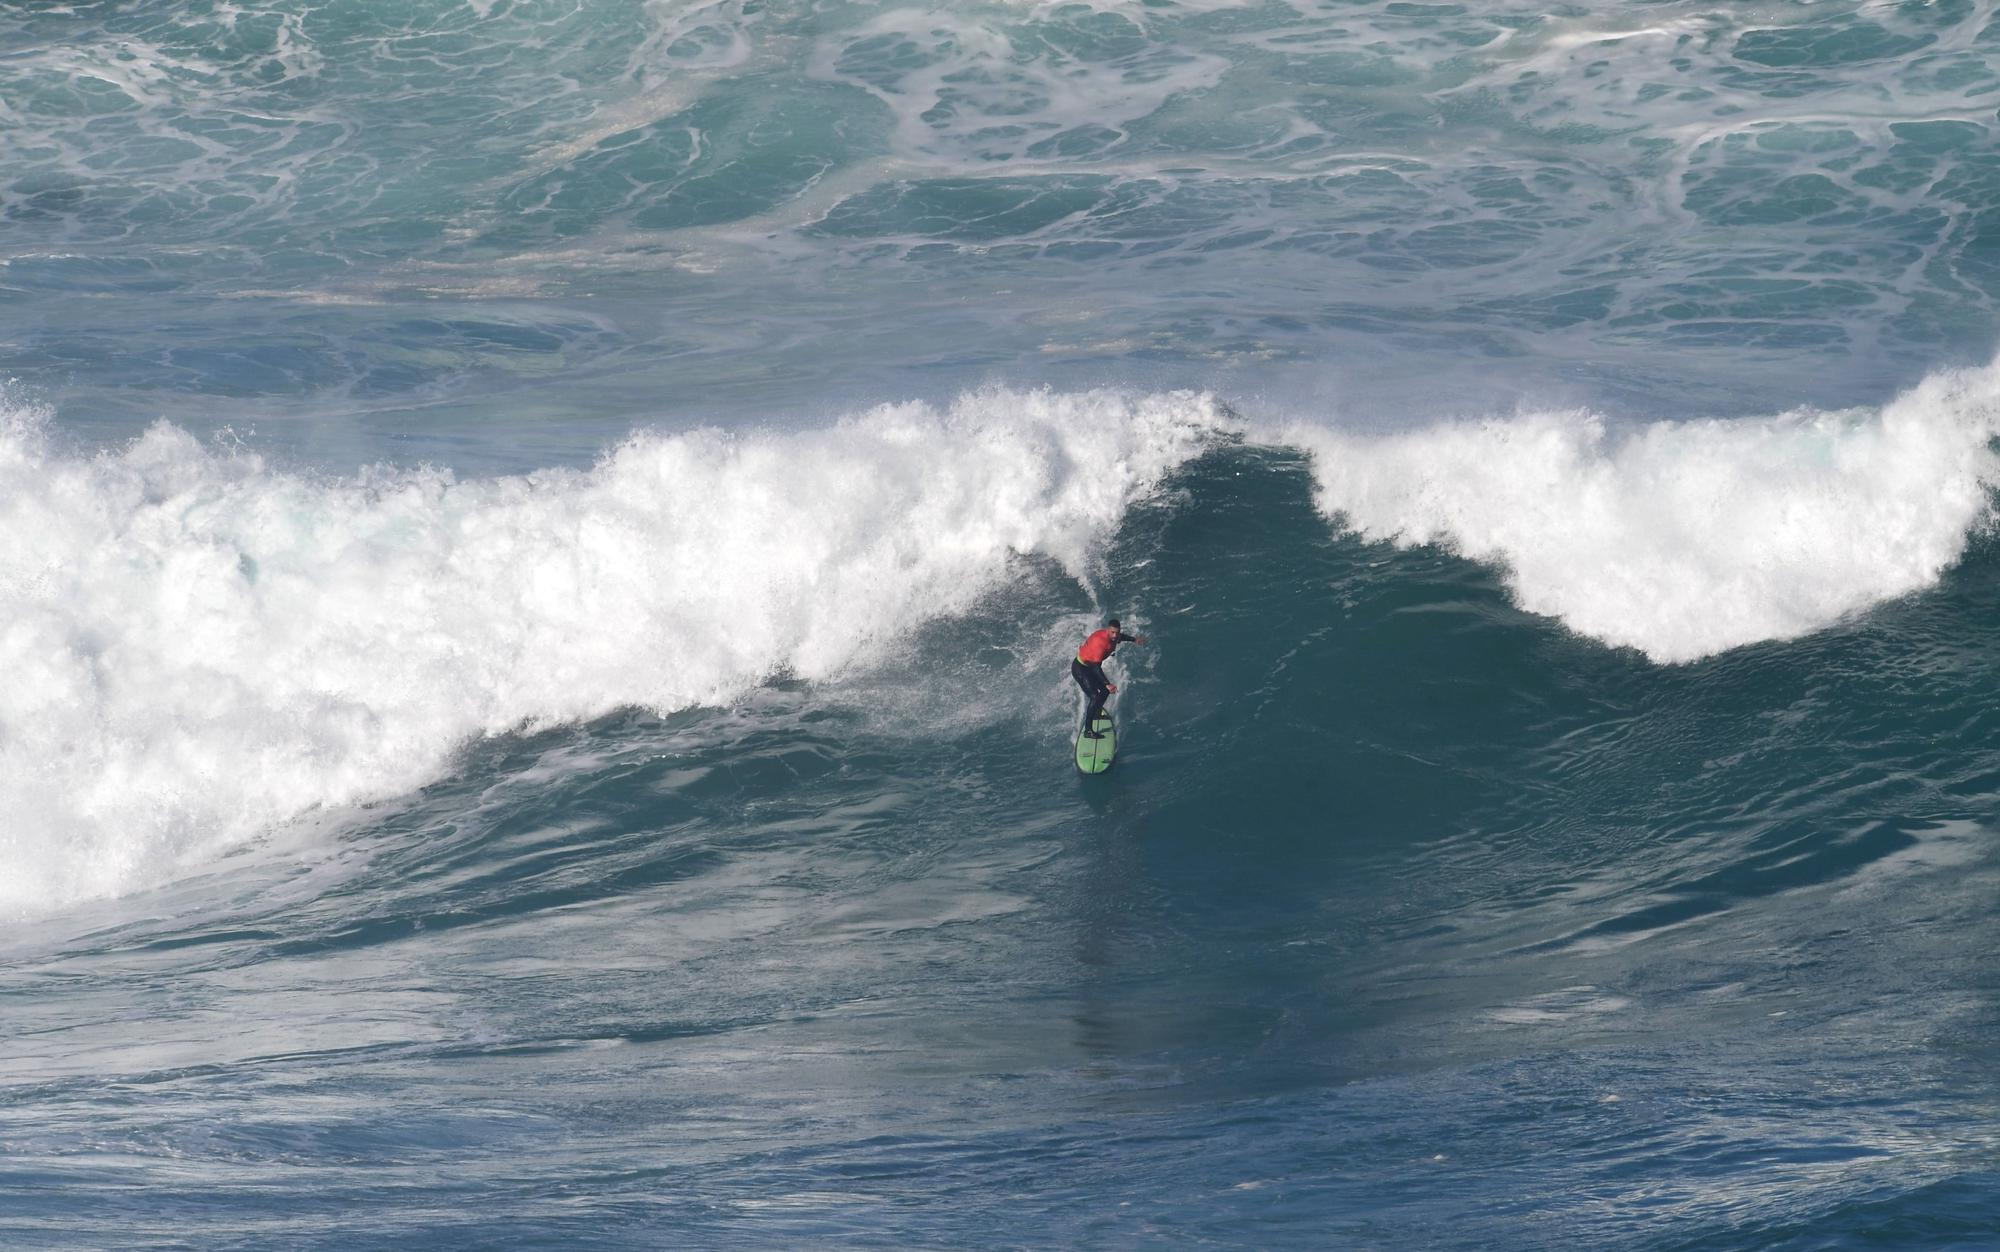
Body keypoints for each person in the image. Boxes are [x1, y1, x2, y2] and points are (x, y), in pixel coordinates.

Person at [1072, 617, 1146, 738]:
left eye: (1117, 632)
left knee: (1105, 692)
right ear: (1107, 630)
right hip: (1081, 669)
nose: (1115, 635)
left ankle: (1096, 713)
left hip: (1090, 667)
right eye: (1112, 632)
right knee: (1095, 697)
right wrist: (1108, 683)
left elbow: (1121, 637)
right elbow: (1096, 668)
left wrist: (1134, 640)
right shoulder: (1101, 643)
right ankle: (1088, 731)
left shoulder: (1115, 636)